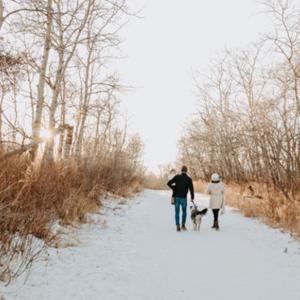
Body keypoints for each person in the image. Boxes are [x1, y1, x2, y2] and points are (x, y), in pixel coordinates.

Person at [167, 166, 195, 232]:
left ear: (181, 170)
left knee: (177, 212)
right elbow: (191, 189)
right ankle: (183, 225)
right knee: (184, 212)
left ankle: (177, 226)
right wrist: (192, 197)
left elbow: (168, 183)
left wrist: (174, 188)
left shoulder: (177, 177)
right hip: (184, 198)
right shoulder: (189, 179)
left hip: (176, 197)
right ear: (186, 171)